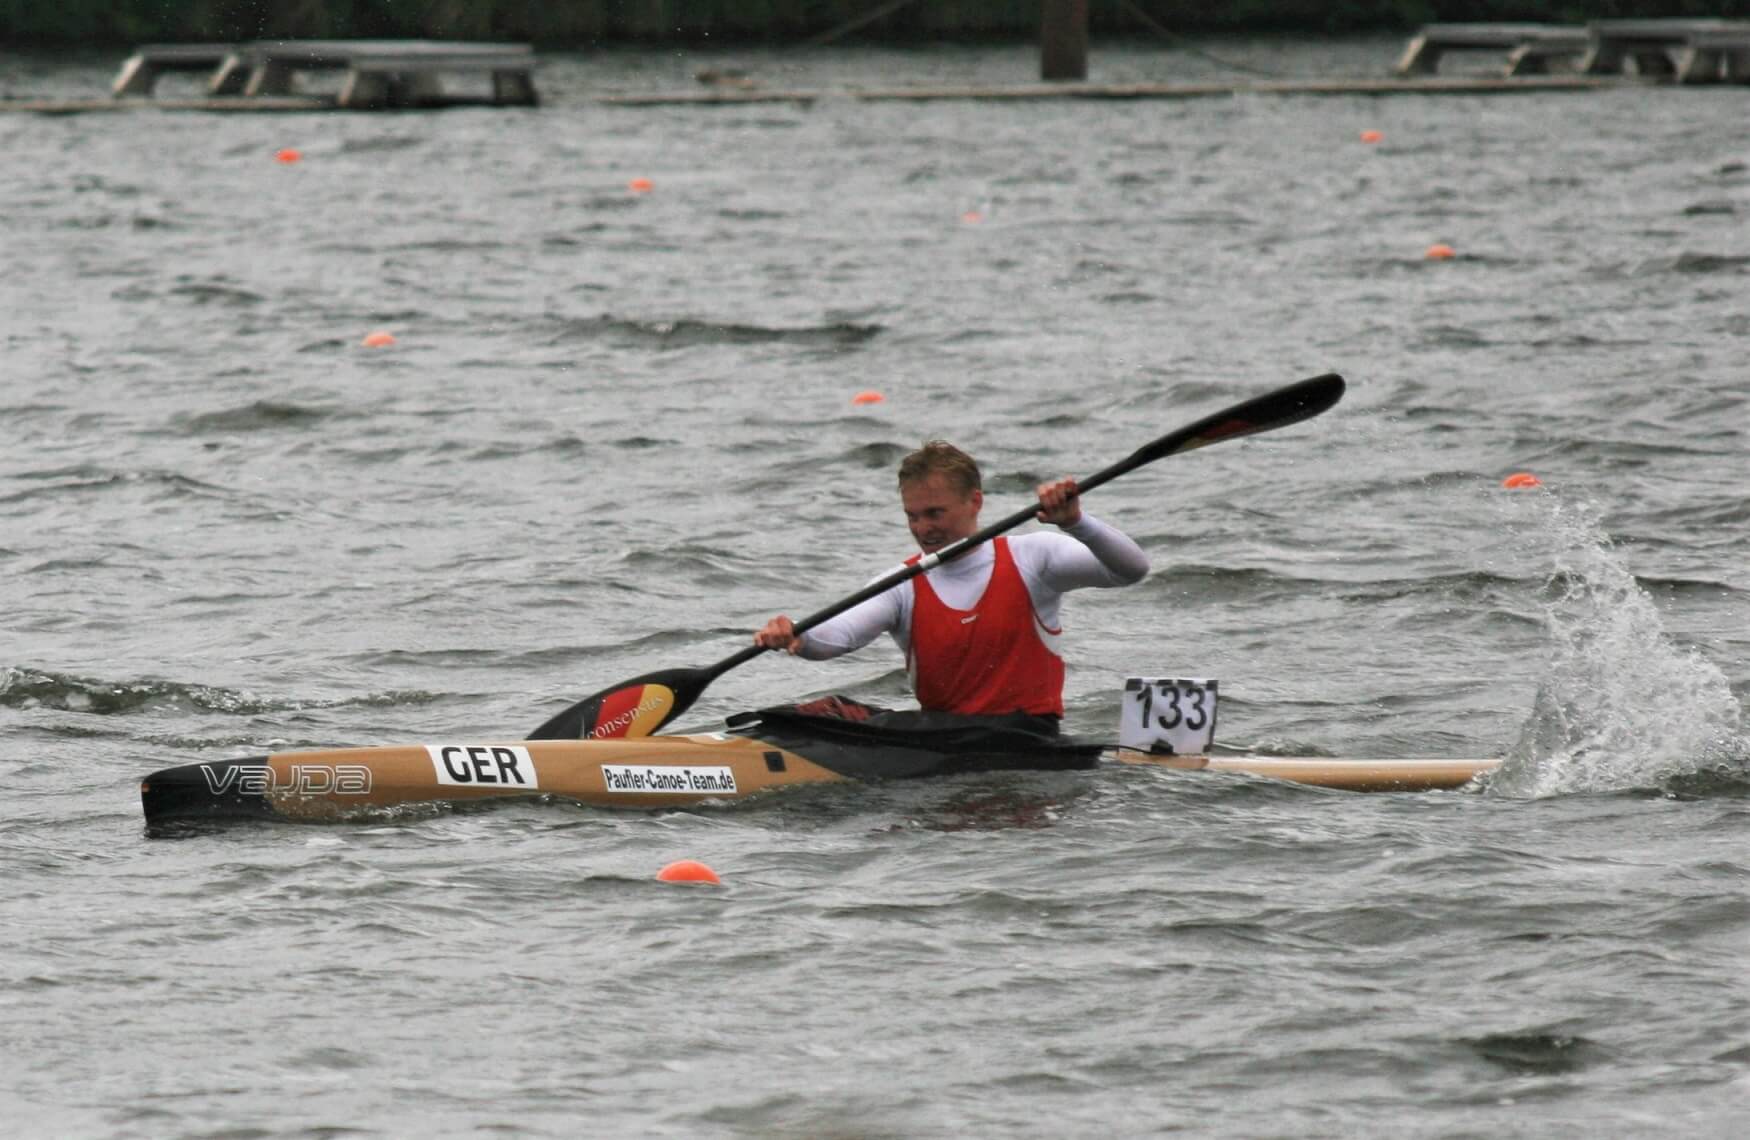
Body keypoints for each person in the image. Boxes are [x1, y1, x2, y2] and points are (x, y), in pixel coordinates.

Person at [753, 440, 1149, 724]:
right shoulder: (903, 583)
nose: (923, 529)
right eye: (913, 516)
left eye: (935, 513)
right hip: (945, 739)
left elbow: (1131, 569)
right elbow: (841, 636)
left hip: (1029, 740)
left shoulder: (1034, 558)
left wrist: (1076, 523)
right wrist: (797, 637)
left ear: (974, 502)